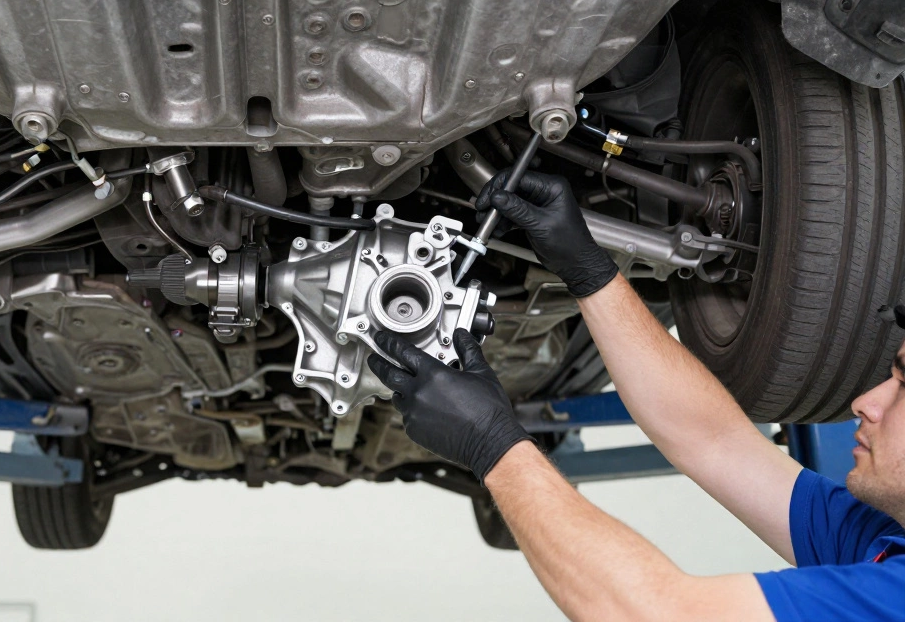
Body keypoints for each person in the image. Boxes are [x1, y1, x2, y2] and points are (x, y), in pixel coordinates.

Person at [368, 169, 905, 622]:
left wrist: (494, 447)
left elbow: (654, 613)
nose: (867, 402)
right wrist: (590, 272)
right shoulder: (878, 542)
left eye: (904, 388)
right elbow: (714, 440)